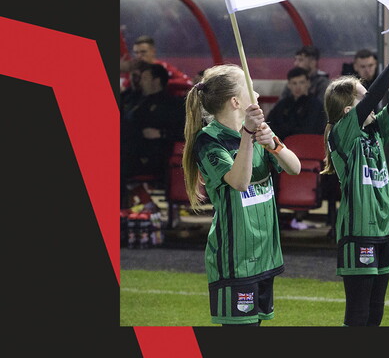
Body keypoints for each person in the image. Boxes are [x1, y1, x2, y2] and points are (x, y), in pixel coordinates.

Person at [321, 30, 389, 327]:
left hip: (385, 226)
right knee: (358, 312)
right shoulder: (341, 132)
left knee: (376, 311)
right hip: (360, 229)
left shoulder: (374, 130)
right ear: (348, 110)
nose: (370, 99)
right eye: (362, 96)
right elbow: (376, 95)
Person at [181, 64, 302, 326]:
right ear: (236, 102)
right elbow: (239, 182)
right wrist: (247, 135)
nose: (256, 94)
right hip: (234, 257)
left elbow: (295, 168)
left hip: (265, 252)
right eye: (250, 88)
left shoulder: (260, 130)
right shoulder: (208, 141)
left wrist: (274, 145)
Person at [121, 62, 186, 211]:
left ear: (156, 81)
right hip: (131, 151)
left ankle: (132, 208)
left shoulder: (171, 104)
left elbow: (184, 132)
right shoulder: (136, 99)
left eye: (144, 78)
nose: (141, 81)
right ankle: (141, 204)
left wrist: (161, 133)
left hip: (155, 155)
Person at [120, 35, 194, 96]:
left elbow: (188, 82)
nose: (139, 56)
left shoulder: (163, 67)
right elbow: (125, 87)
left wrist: (161, 83)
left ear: (153, 51)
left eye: (143, 52)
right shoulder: (136, 71)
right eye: (136, 53)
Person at [266, 67, 326, 140]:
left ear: (308, 83)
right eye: (294, 83)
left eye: (302, 82)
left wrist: (285, 129)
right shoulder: (282, 105)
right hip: (281, 143)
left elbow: (310, 130)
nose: (298, 87)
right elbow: (269, 125)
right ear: (289, 85)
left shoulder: (315, 105)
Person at [279, 45, 330, 123]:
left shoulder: (322, 83)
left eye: (300, 60)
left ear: (312, 63)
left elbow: (320, 111)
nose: (296, 63)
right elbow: (280, 105)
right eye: (296, 60)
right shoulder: (292, 81)